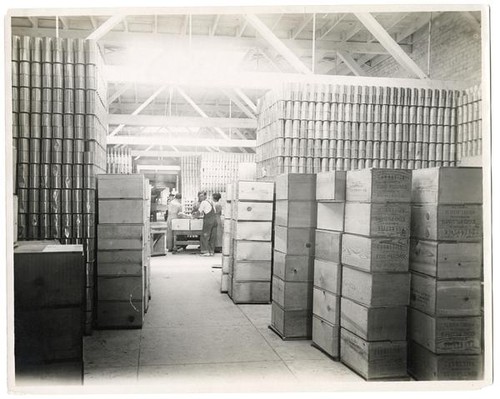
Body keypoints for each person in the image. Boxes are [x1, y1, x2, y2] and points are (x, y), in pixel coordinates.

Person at [197, 191, 217, 256]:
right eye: (199, 196)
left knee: (205, 236)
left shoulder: (203, 202)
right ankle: (211, 251)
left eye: (202, 196)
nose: (200, 198)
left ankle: (205, 251)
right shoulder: (211, 202)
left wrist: (193, 216)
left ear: (205, 196)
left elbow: (199, 212)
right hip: (214, 221)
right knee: (212, 236)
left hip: (208, 221)